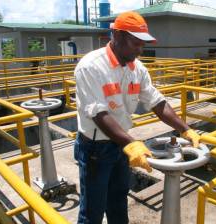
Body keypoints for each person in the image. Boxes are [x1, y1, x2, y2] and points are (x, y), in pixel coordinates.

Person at [74, 11, 200, 224]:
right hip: (96, 149)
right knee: (92, 210)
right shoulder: (91, 67)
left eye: (143, 44)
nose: (141, 50)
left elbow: (157, 102)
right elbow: (98, 114)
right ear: (118, 36)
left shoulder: (137, 69)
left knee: (118, 201)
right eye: (136, 43)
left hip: (122, 145)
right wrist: (132, 144)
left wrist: (184, 129)